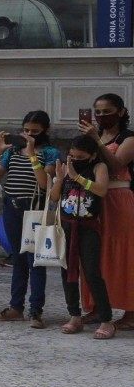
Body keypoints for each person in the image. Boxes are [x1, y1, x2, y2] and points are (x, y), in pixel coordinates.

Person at [0, 111, 58, 327]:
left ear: (45, 131)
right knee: (17, 258)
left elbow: (45, 183)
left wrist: (32, 156)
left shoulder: (50, 152)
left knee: (34, 260)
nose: (29, 135)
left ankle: (36, 310)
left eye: (34, 132)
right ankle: (16, 307)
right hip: (13, 206)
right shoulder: (13, 152)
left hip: (34, 208)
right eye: (26, 130)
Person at [49, 136, 115, 339]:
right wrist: (60, 178)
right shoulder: (66, 166)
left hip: (88, 227)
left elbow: (101, 190)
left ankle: (106, 320)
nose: (75, 159)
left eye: (81, 157)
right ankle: (74, 315)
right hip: (67, 226)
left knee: (92, 272)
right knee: (67, 271)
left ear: (92, 155)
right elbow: (53, 197)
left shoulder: (98, 167)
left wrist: (77, 176)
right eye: (72, 155)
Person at [80, 94, 134, 330]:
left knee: (123, 253)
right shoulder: (95, 136)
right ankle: (96, 307)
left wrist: (96, 141)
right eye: (98, 112)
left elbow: (117, 165)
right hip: (93, 198)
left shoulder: (129, 138)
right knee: (93, 253)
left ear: (121, 112)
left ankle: (130, 310)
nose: (102, 116)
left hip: (118, 199)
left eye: (107, 111)